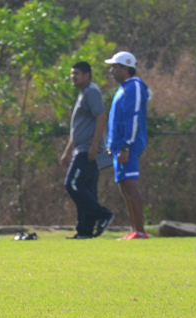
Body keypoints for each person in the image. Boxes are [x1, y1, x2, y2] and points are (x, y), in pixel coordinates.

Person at [60, 61, 115, 239]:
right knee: (87, 189)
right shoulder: (83, 94)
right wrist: (68, 151)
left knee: (72, 184)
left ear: (87, 75)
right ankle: (84, 231)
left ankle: (103, 214)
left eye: (77, 74)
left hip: (88, 150)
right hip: (80, 149)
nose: (73, 77)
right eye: (72, 74)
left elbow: (101, 117)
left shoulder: (91, 92)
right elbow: (78, 128)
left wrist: (94, 145)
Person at [105, 51, 150, 240]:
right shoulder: (124, 88)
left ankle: (140, 230)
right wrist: (112, 144)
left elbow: (133, 118)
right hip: (120, 146)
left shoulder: (134, 87)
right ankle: (134, 229)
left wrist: (126, 146)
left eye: (115, 67)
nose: (111, 70)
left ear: (125, 67)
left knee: (131, 187)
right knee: (124, 187)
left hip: (128, 145)